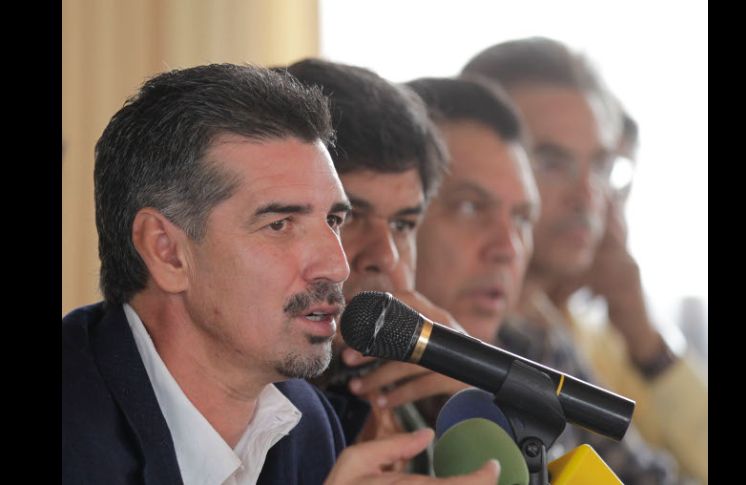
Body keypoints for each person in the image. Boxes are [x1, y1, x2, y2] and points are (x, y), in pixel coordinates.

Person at [61, 63, 500, 484]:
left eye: (333, 221)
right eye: (280, 224)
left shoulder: (303, 419)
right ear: (167, 252)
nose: (338, 265)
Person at [463, 37, 706, 483]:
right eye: (552, 162)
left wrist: (644, 338)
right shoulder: (460, 336)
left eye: (600, 166)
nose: (587, 196)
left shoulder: (561, 334)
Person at [284, 58, 469, 474]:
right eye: (346, 217)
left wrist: (476, 417)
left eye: (403, 225)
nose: (385, 256)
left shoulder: (437, 399)